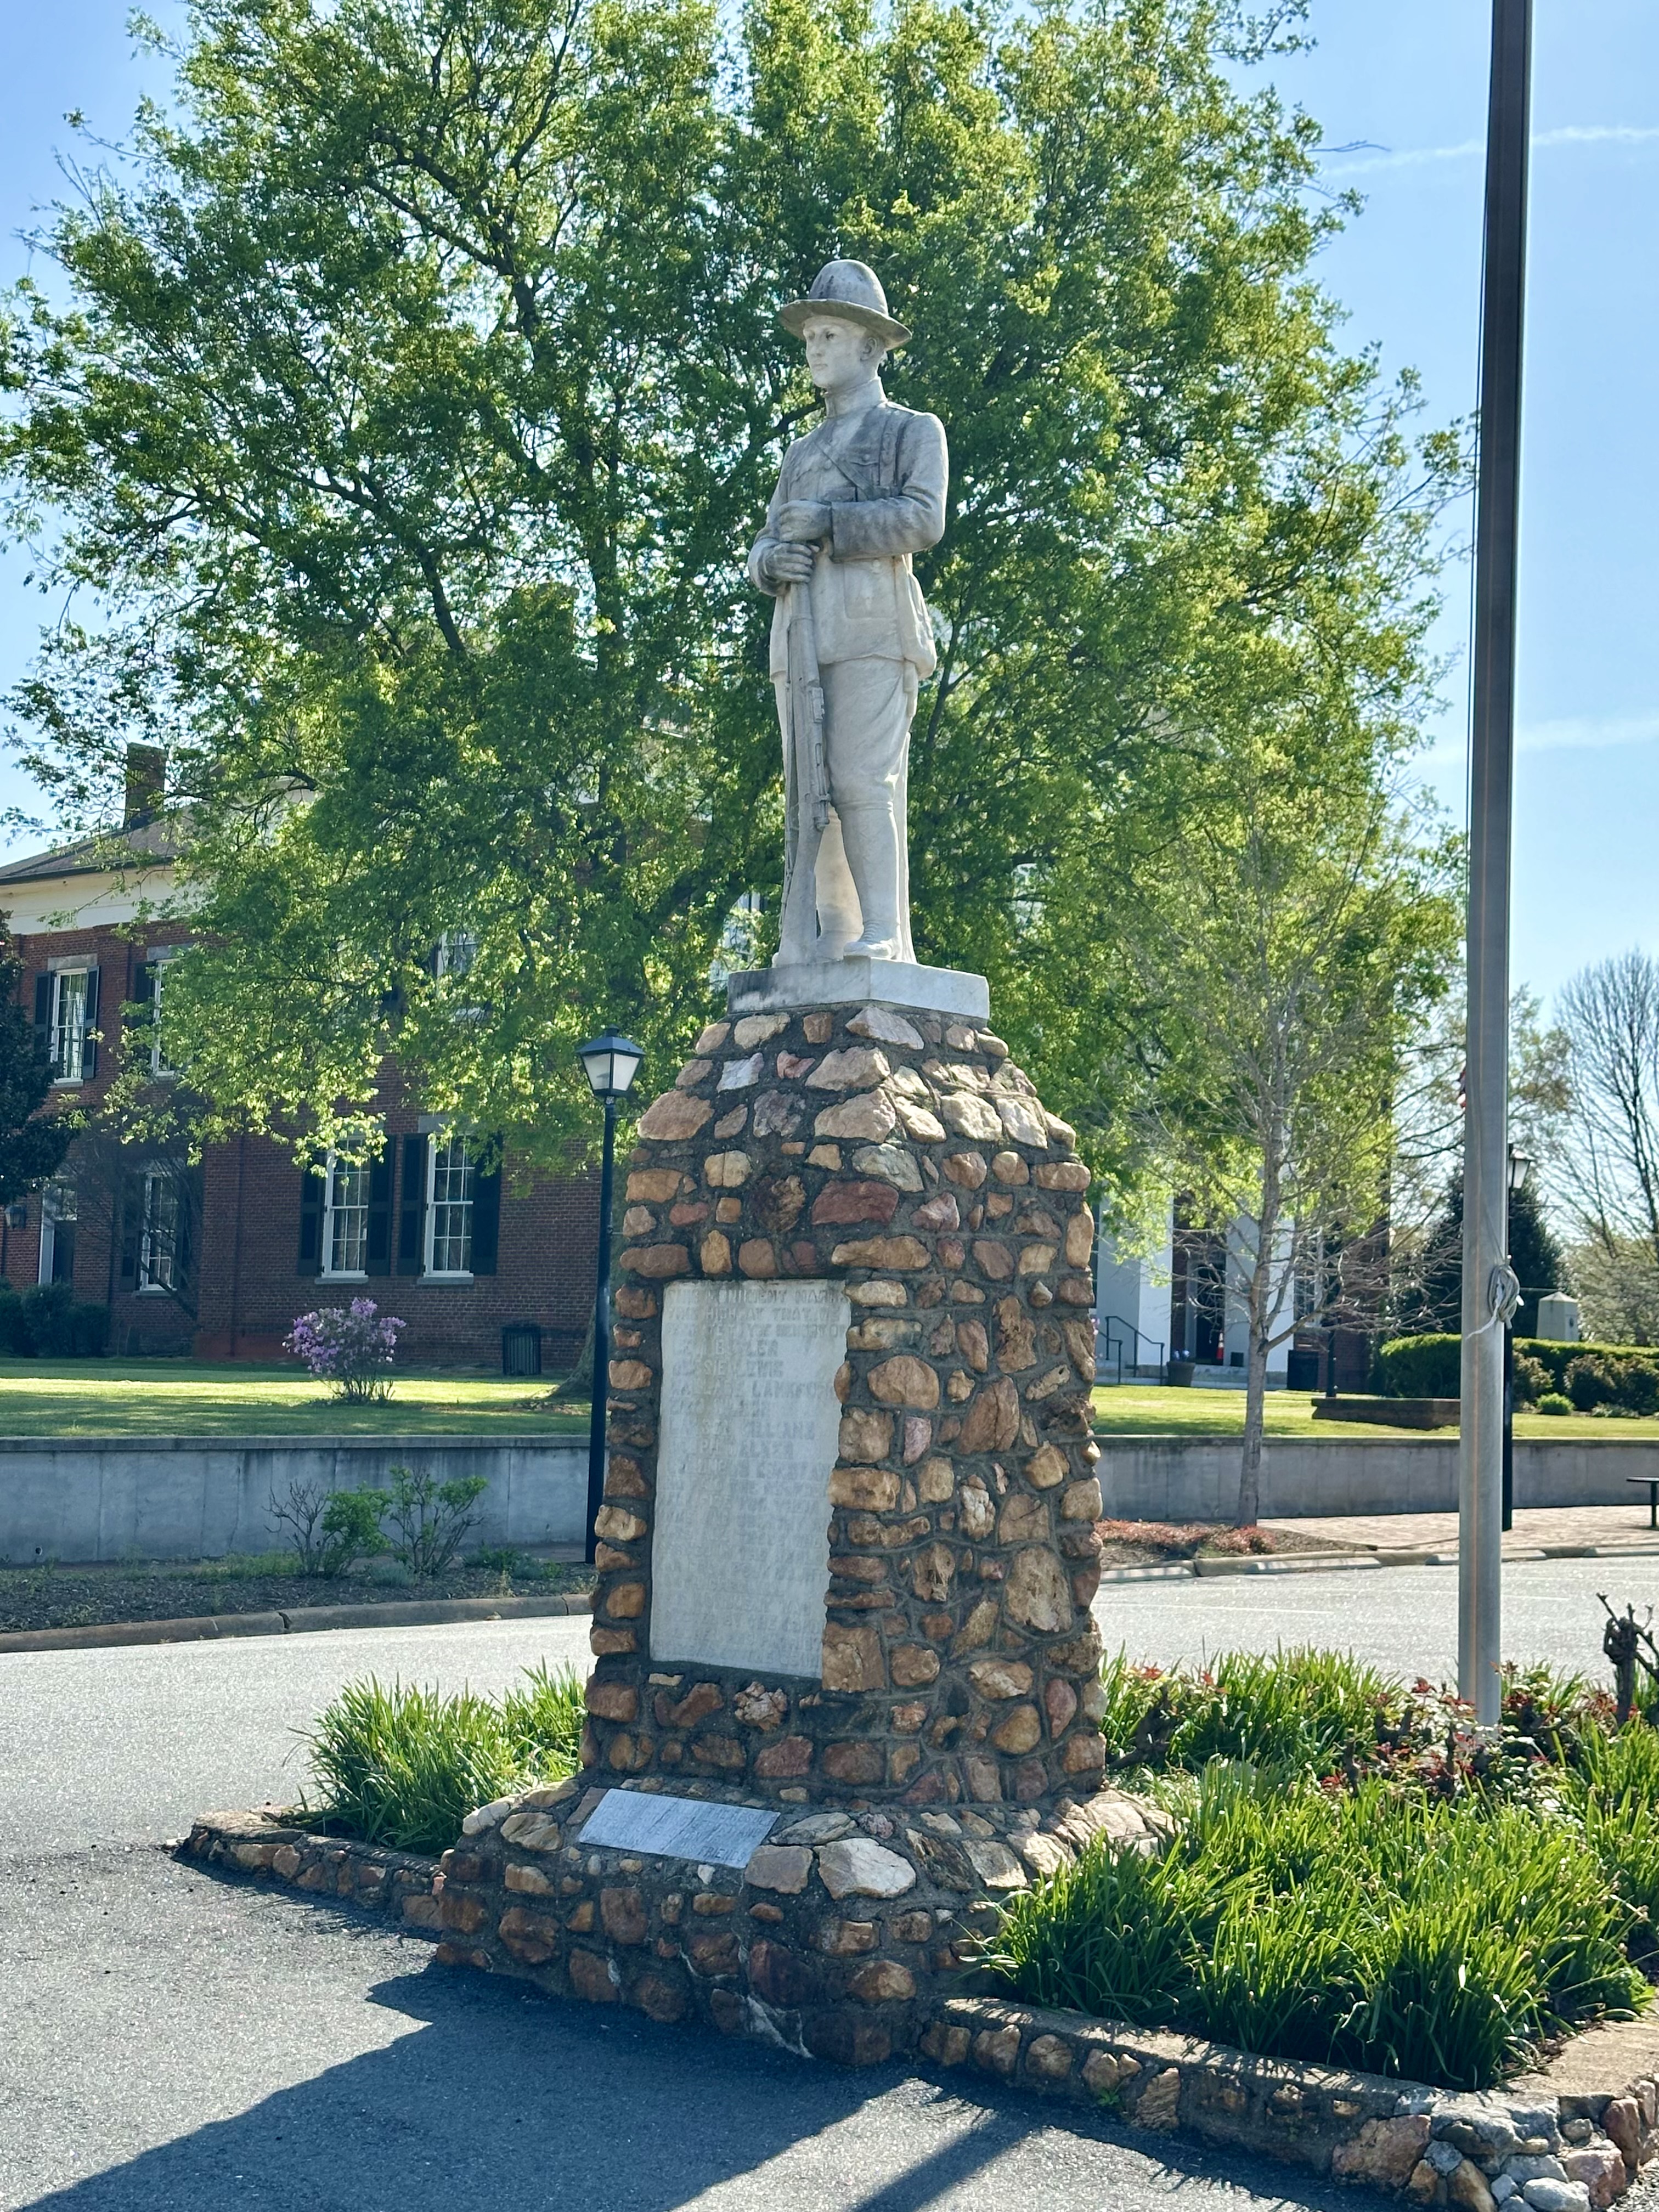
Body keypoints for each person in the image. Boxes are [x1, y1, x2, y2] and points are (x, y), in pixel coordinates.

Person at [748, 261, 948, 965]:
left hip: (872, 628)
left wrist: (831, 523)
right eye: (810, 338)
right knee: (812, 789)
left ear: (870, 346)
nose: (815, 349)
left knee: (864, 780)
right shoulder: (801, 452)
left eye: (829, 335)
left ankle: (884, 930)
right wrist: (771, 563)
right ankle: (830, 936)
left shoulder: (910, 432)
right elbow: (765, 541)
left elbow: (922, 519)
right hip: (801, 635)